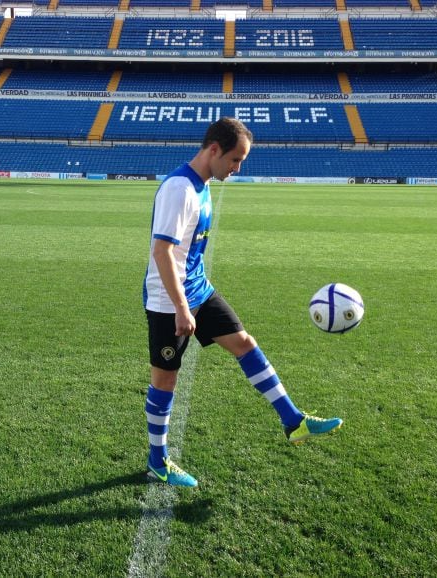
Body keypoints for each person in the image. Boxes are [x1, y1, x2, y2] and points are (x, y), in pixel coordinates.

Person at [143, 117, 342, 488]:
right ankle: (157, 461)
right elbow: (162, 251)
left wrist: (193, 299)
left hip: (199, 289)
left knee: (244, 343)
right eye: (235, 160)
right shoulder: (180, 189)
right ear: (214, 150)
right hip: (169, 302)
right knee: (165, 379)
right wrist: (182, 309)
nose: (236, 169)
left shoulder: (201, 187)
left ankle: (292, 419)